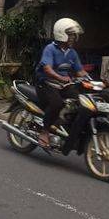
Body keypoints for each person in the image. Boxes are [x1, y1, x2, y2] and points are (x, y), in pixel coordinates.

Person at [35, 18, 88, 148]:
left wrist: (95, 81)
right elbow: (47, 68)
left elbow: (80, 71)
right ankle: (45, 131)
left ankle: (66, 126)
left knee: (81, 101)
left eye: (74, 35)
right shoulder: (50, 48)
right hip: (46, 83)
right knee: (56, 103)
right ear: (61, 34)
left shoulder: (72, 53)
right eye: (70, 34)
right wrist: (60, 77)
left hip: (63, 85)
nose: (73, 38)